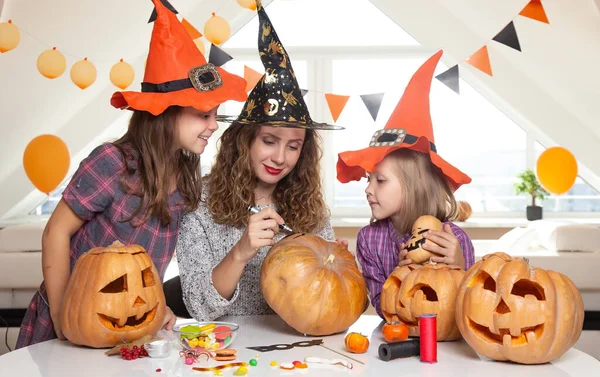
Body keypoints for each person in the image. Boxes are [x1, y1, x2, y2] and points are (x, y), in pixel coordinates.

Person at [16, 0, 247, 348]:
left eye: (215, 115)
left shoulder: (185, 178)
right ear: (166, 113)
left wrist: (158, 305)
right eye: (204, 115)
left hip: (126, 325)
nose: (213, 126)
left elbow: (151, 263)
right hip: (72, 318)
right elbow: (55, 233)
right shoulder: (113, 162)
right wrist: (67, 312)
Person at [167, 0, 344, 321]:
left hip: (294, 349)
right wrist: (241, 252)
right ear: (244, 140)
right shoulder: (199, 205)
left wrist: (337, 266)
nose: (280, 157)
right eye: (269, 141)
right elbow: (200, 308)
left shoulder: (311, 211)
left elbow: (330, 301)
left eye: (293, 146)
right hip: (224, 353)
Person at [336, 50, 475, 319]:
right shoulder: (369, 240)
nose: (368, 189)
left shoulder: (453, 239)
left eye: (381, 181)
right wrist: (400, 276)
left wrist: (458, 266)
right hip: (395, 343)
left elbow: (470, 308)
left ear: (415, 186)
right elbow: (380, 307)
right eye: (368, 179)